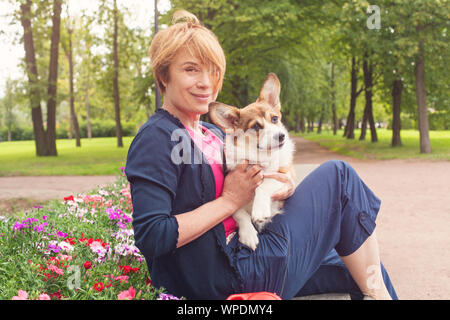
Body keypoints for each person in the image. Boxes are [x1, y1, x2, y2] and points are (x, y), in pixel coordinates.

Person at [125, 10, 398, 300]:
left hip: (255, 247)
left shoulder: (213, 133)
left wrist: (285, 184)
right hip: (229, 275)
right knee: (339, 177)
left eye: (213, 71)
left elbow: (270, 174)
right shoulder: (157, 138)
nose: (206, 82)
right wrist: (229, 200)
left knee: (363, 268)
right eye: (191, 69)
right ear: (163, 75)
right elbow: (153, 236)